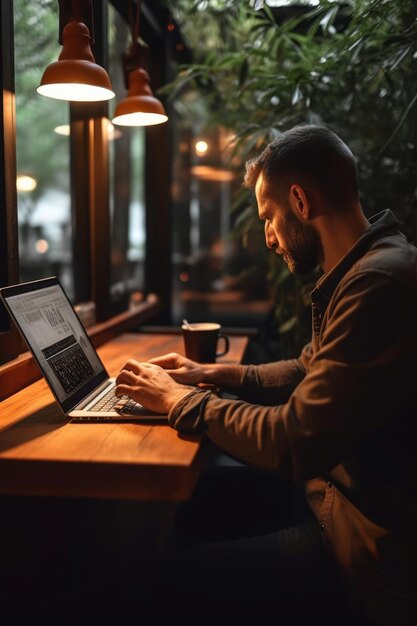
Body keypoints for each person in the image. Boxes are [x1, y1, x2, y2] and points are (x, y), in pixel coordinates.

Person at [115, 124, 417, 625]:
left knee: (155, 583)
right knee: (200, 499)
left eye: (268, 218)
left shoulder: (379, 285)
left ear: (299, 200)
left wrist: (178, 400)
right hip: (332, 501)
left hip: (363, 551)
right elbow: (308, 367)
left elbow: (292, 441)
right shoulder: (365, 268)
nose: (268, 237)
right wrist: (212, 373)